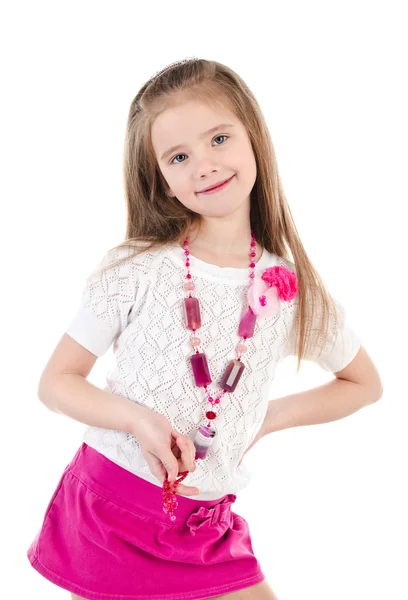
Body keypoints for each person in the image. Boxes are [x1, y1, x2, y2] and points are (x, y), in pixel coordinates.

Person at [26, 57, 382, 600]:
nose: (204, 165)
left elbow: (363, 384)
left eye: (219, 139)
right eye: (179, 156)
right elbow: (56, 383)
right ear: (162, 181)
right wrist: (138, 420)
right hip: (111, 510)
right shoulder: (136, 268)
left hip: (206, 525)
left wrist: (265, 418)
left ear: (253, 138)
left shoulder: (291, 288)